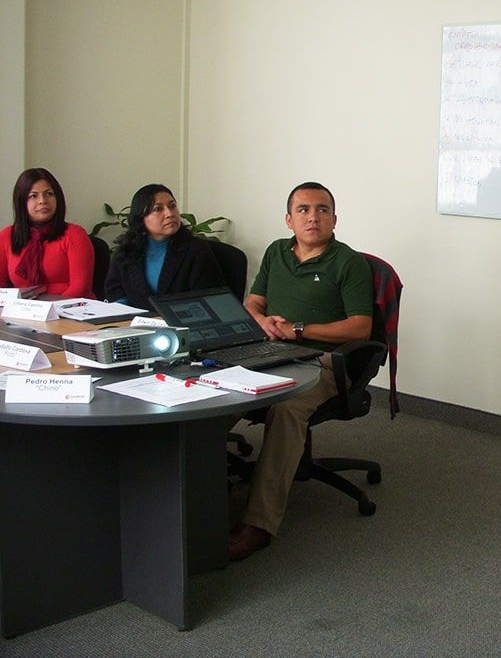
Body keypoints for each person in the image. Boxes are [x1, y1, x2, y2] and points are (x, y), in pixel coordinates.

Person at [228, 181, 373, 561]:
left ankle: (259, 523)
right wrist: (260, 321)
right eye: (304, 210)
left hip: (321, 363)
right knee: (217, 389)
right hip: (267, 351)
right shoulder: (277, 252)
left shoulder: (348, 262)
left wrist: (298, 330)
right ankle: (194, 500)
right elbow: (253, 301)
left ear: (334, 219)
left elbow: (361, 327)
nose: (313, 216)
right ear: (289, 219)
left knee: (287, 408)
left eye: (322, 209)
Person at [104, 184, 226, 311]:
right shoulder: (127, 250)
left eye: (172, 206)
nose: (169, 213)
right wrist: (126, 317)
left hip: (184, 325)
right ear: (141, 218)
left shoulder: (196, 250)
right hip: (135, 326)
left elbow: (209, 300)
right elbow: (115, 291)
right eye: (158, 209)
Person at [0, 167, 94, 298]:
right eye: (33, 196)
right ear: (22, 202)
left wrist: (48, 311)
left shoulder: (74, 234)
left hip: (71, 311)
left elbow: (80, 288)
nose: (42, 201)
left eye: (49, 194)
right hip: (24, 312)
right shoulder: (6, 236)